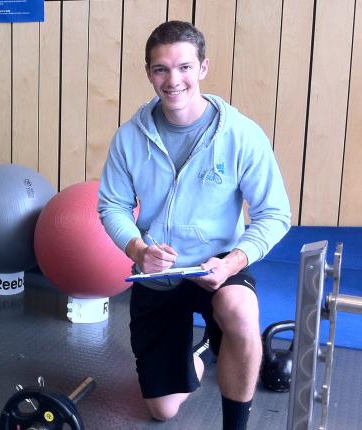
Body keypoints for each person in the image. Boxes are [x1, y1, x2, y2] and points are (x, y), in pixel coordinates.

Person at [98, 21, 291, 430]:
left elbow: (275, 214)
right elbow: (112, 205)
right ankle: (203, 358)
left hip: (215, 267)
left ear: (203, 68)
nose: (173, 80)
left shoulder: (241, 134)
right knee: (162, 411)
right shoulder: (130, 138)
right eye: (161, 70)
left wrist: (233, 262)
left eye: (184, 67)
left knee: (238, 310)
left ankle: (235, 417)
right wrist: (137, 250)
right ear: (149, 72)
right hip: (158, 274)